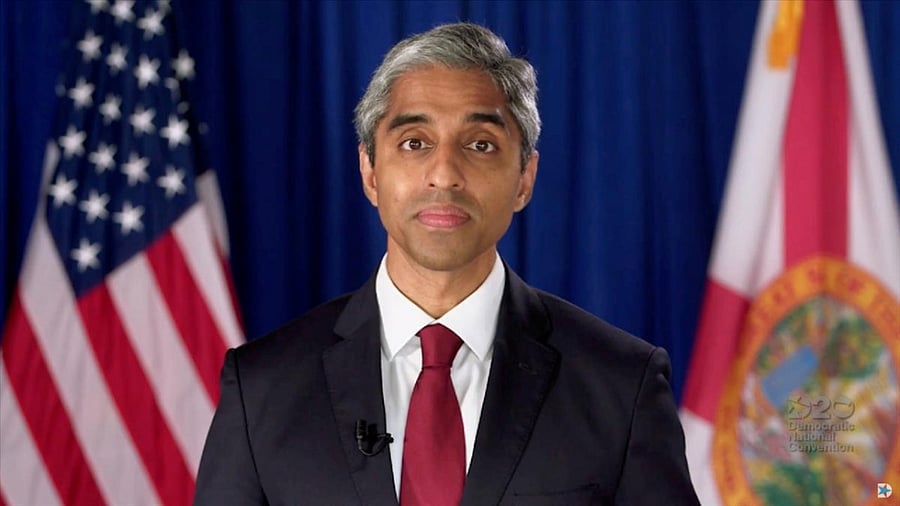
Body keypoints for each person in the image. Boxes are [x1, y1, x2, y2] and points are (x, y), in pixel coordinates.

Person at [194, 22, 700, 506]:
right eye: (415, 143)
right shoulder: (261, 388)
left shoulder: (621, 385)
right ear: (369, 171)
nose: (444, 174)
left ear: (525, 177)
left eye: (480, 145)